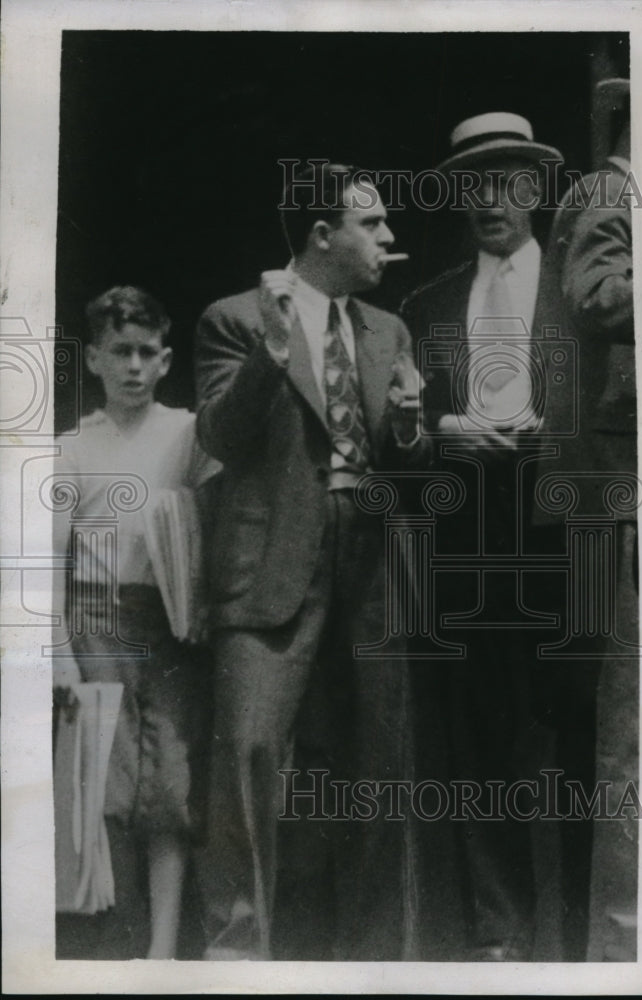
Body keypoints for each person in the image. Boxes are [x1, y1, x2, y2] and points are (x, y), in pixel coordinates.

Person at [194, 163, 429, 960]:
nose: (389, 239)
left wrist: (406, 424)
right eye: (373, 225)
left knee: (380, 765)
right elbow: (221, 438)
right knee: (248, 755)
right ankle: (235, 957)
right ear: (323, 235)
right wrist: (270, 347)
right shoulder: (232, 317)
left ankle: (374, 962)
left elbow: (408, 461)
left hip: (369, 561)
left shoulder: (387, 330)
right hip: (270, 564)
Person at [401, 112, 564, 960]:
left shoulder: (581, 287)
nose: (487, 200)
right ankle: (499, 937)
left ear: (533, 189)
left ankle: (575, 941)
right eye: (471, 185)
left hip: (567, 551)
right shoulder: (424, 303)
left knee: (571, 741)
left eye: (504, 182)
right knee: (482, 749)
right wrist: (442, 433)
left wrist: (550, 430)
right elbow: (398, 434)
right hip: (466, 556)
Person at [52, 286, 219, 959]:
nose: (132, 366)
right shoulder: (71, 449)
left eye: (146, 352)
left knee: (170, 786)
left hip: (172, 618)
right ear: (93, 357)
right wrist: (60, 651)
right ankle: (116, 948)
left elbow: (211, 524)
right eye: (118, 351)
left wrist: (201, 602)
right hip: (96, 613)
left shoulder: (187, 431)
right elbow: (47, 559)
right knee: (112, 782)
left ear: (165, 359)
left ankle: (162, 950)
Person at [533, 81, 638, 961]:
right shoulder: (610, 190)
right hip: (622, 495)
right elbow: (595, 297)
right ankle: (620, 951)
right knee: (629, 741)